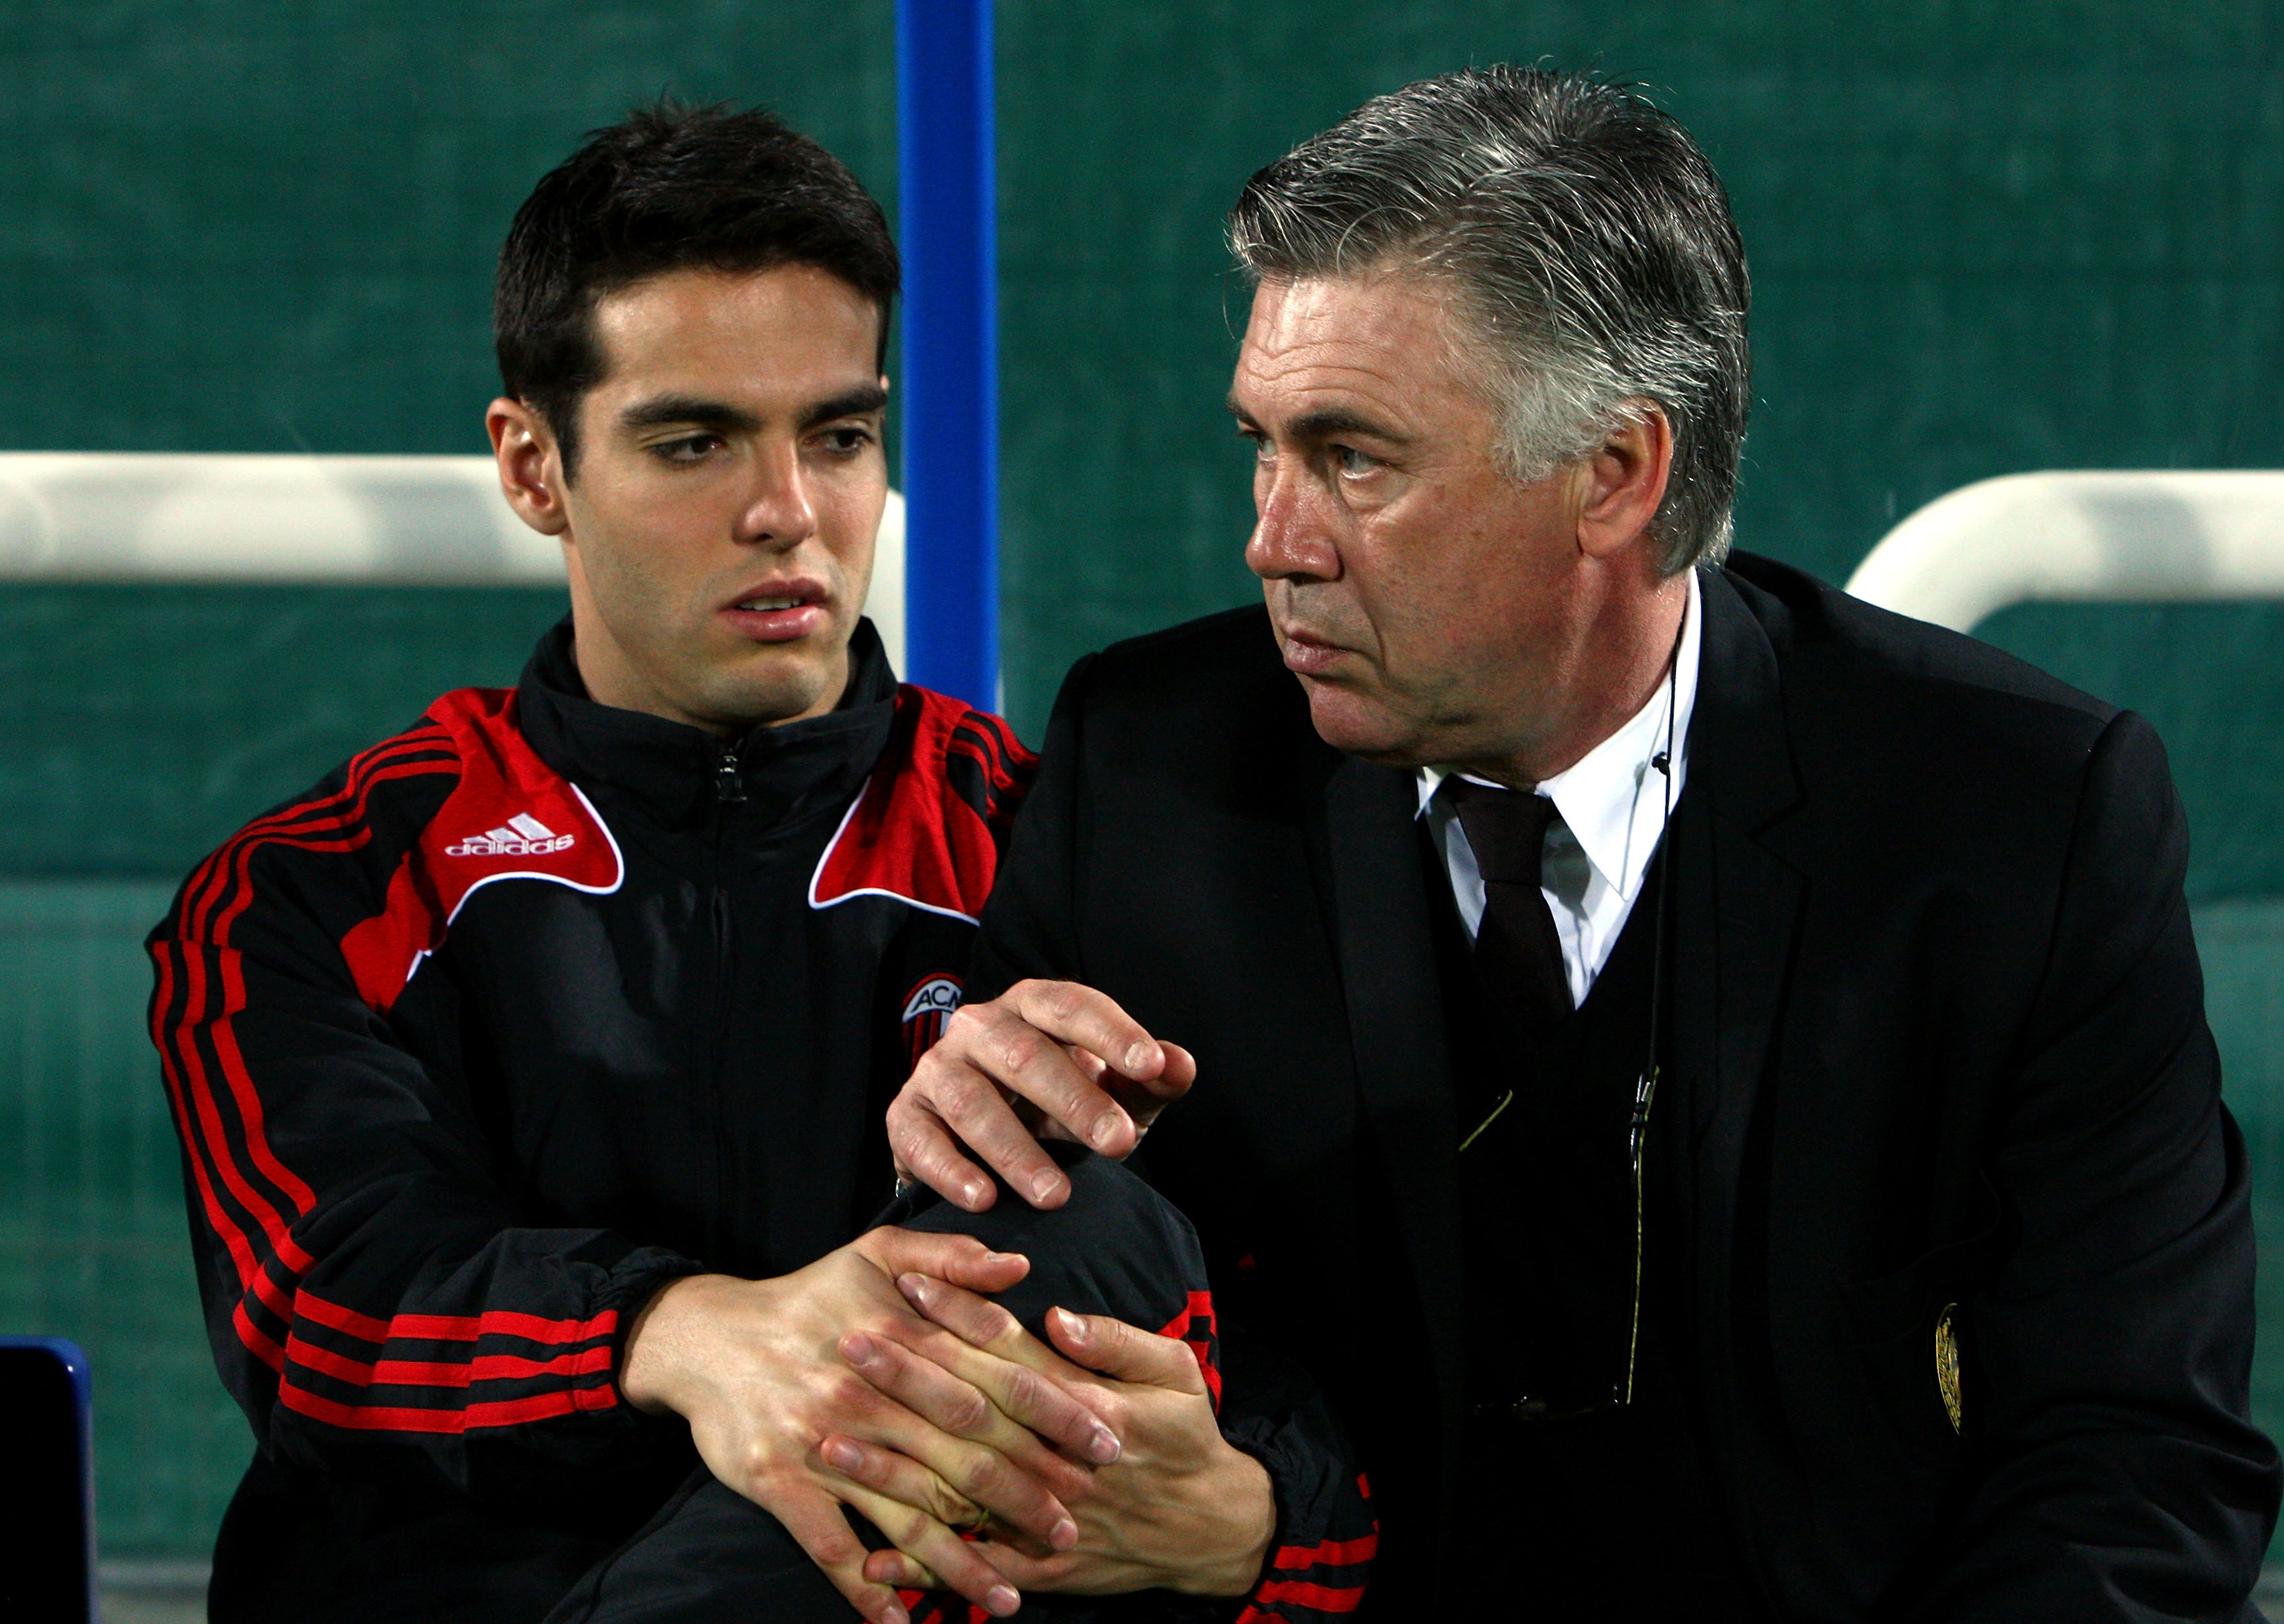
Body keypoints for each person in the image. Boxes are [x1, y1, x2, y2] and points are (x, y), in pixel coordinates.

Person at [883, 66, 2284, 1618]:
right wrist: (964, 1113)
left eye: (1352, 458)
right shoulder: (1146, 770)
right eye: (1260, 446)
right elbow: (1029, 1336)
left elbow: (2135, 1458)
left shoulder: (2016, 816)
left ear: (1616, 473)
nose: (1272, 538)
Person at [149, 102, 1364, 1624]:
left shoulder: (1066, 853)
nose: (788, 510)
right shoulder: (310, 891)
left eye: (839, 434)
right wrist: (682, 1333)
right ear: (534, 467)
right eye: (694, 439)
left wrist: (1251, 1525)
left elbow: (1304, 1357)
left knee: (1071, 1219)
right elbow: (329, 1309)